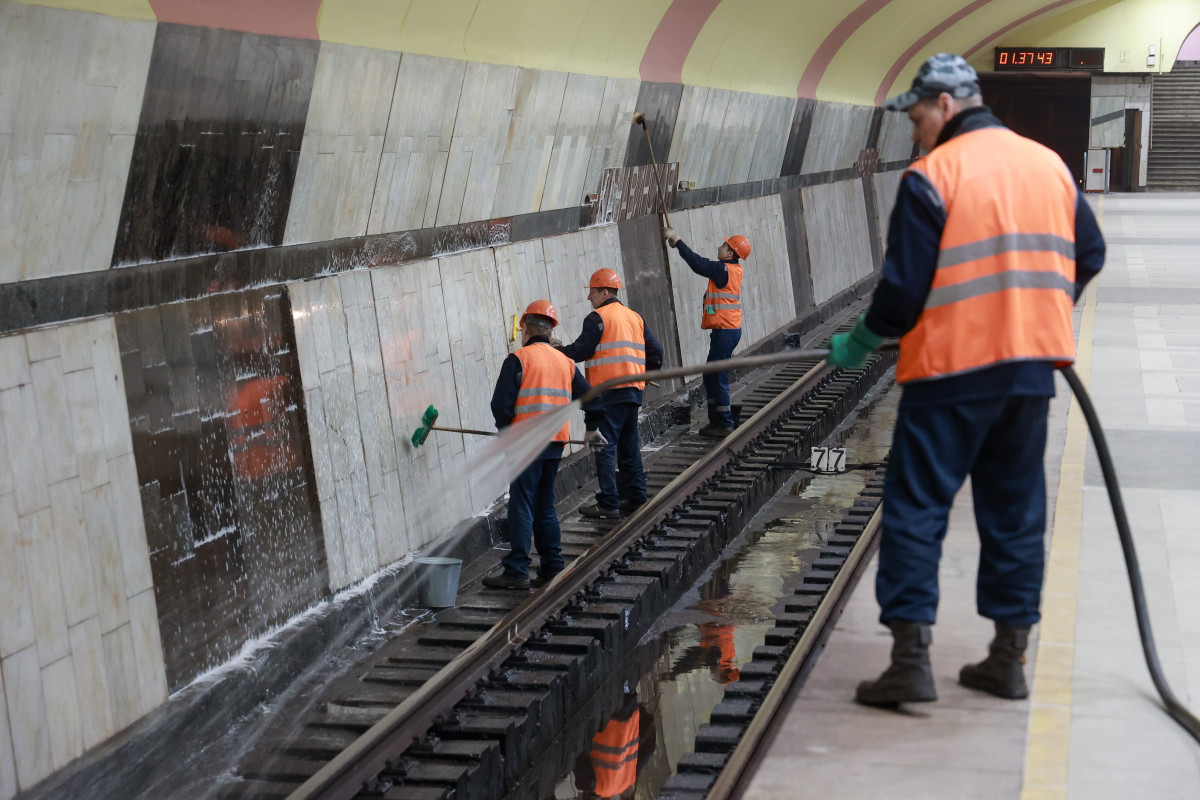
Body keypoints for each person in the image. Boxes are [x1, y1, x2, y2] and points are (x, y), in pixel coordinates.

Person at [826, 53, 1105, 706]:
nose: (914, 130)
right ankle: (1008, 659)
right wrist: (1039, 315)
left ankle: (910, 663)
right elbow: (1088, 254)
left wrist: (862, 340)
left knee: (917, 507)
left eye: (918, 116)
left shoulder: (934, 176)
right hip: (1030, 375)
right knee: (1015, 512)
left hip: (949, 374)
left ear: (946, 105)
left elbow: (901, 293)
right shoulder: (1048, 166)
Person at [484, 300, 606, 590]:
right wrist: (590, 428)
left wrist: (507, 433)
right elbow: (594, 400)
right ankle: (552, 565)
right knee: (545, 504)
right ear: (550, 333)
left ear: (525, 329)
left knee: (522, 503)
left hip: (525, 444)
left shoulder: (518, 359)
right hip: (554, 444)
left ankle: (517, 571)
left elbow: (500, 405)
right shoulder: (564, 362)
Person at [557, 269, 664, 518]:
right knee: (629, 448)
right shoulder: (634, 317)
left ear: (605, 292)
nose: (589, 298)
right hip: (633, 393)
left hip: (608, 393)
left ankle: (608, 502)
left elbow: (582, 350)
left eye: (592, 292)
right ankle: (636, 497)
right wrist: (649, 373)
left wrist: (557, 351)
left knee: (602, 447)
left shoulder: (598, 318)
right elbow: (655, 350)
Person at [662, 228, 752, 437]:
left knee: (717, 376)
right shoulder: (731, 270)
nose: (719, 247)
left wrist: (677, 240)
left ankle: (725, 423)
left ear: (730, 254)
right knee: (711, 375)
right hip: (726, 331)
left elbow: (697, 263)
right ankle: (717, 421)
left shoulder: (723, 270)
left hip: (726, 332)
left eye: (724, 246)